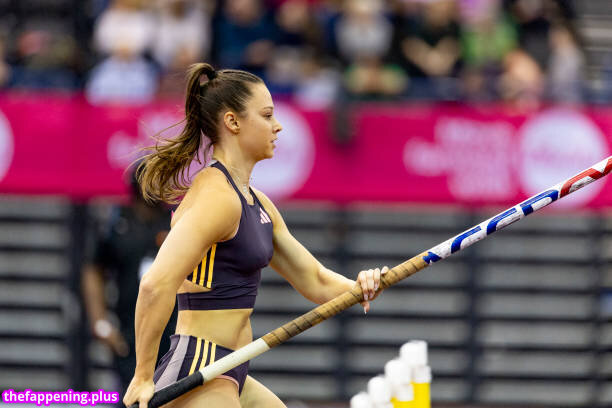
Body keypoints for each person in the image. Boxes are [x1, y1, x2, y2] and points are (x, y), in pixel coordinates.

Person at [122, 62, 388, 408]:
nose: (277, 126)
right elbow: (155, 284)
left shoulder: (258, 203)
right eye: (266, 115)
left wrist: (362, 286)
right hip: (201, 367)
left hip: (232, 368)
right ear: (232, 122)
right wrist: (142, 376)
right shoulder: (217, 197)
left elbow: (316, 280)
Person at [82, 170, 177, 404]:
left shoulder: (177, 220)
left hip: (173, 330)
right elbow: (93, 269)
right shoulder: (115, 222)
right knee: (132, 397)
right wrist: (100, 321)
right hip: (130, 332)